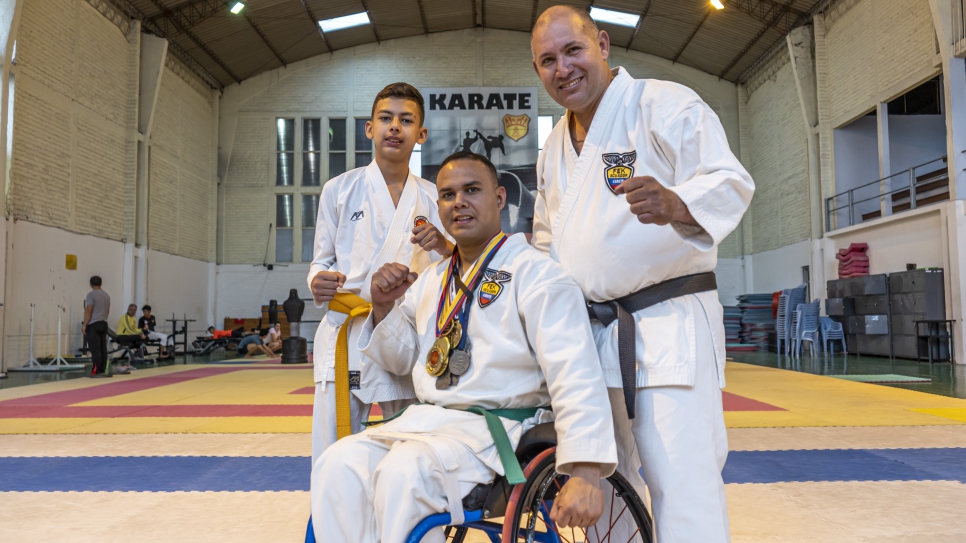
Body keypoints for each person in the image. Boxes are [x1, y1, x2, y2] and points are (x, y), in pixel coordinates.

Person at [529, 7, 755, 543]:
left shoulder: (663, 103)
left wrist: (678, 203)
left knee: (683, 485)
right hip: (591, 339)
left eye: (573, 51)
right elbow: (545, 242)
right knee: (607, 489)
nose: (563, 68)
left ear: (602, 45)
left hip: (667, 326)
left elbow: (730, 181)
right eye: (547, 60)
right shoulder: (553, 147)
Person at [311, 151, 616, 543]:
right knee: (336, 463)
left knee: (405, 472)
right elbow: (402, 360)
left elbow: (575, 373)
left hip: (500, 430)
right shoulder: (432, 280)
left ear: (500, 198)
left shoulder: (538, 274)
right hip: (427, 425)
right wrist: (385, 306)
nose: (459, 203)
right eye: (448, 195)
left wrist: (586, 470)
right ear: (437, 205)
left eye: (472, 190)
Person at [307, 82, 454, 466]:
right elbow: (320, 262)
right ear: (369, 128)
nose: (394, 127)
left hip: (405, 333)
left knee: (413, 454)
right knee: (332, 454)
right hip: (347, 329)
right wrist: (317, 282)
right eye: (386, 118)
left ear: (420, 134)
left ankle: (405, 522)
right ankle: (335, 524)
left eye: (406, 121)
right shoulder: (339, 190)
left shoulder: (434, 197)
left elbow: (459, 262)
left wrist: (442, 242)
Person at [82, 276, 112, 378]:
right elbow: (107, 311)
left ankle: (96, 371)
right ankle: (102, 370)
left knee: (95, 349)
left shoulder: (91, 295)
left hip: (94, 324)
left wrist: (85, 324)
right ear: (101, 283)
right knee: (103, 348)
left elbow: (89, 310)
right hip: (103, 323)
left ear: (90, 284)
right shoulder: (106, 295)